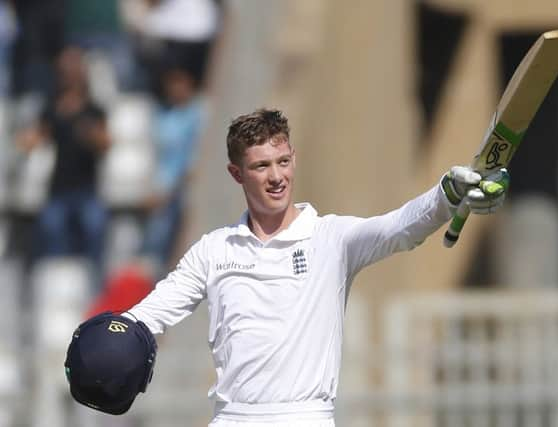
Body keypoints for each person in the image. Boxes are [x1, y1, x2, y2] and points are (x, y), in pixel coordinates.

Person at [74, 109, 507, 425]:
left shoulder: (331, 239)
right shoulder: (213, 249)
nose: (276, 176)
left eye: (283, 162)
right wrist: (102, 348)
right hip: (231, 419)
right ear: (236, 173)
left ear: (294, 159)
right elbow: (149, 316)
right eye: (261, 166)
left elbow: (400, 229)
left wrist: (447, 194)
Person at [16, 46, 111, 283]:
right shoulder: (51, 108)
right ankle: (54, 287)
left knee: (95, 228)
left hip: (87, 189)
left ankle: (94, 287)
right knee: (51, 231)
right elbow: (32, 140)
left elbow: (106, 143)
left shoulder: (93, 109)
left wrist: (89, 133)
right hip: (58, 189)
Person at [139, 62, 206, 273]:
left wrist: (170, 191)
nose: (176, 89)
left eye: (181, 83)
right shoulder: (162, 116)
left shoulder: (199, 113)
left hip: (184, 185)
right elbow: (156, 157)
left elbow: (196, 157)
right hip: (164, 187)